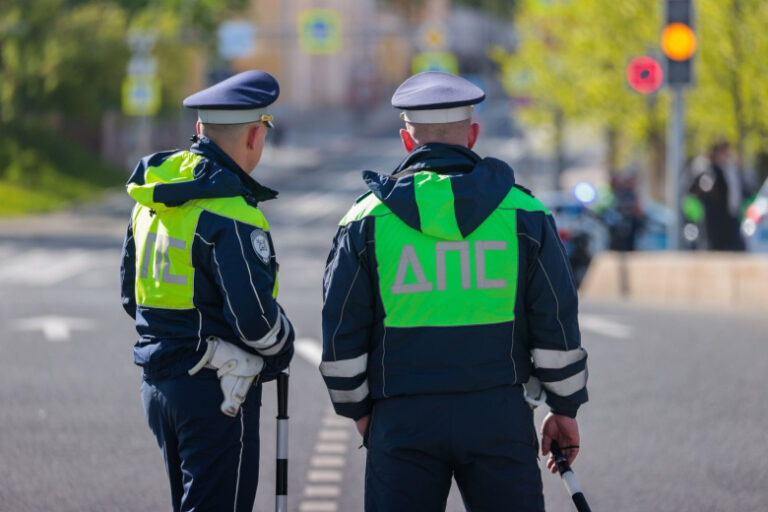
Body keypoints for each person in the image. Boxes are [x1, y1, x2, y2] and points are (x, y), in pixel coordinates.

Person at [319, 71, 588, 511]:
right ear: (474, 135)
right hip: (498, 413)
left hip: (401, 417)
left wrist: (361, 412)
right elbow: (556, 321)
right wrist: (564, 407)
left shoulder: (364, 221)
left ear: (408, 141)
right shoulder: (525, 214)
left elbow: (340, 332)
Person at [120, 70, 294, 512]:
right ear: (255, 136)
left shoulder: (153, 197)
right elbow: (254, 321)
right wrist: (284, 345)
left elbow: (131, 297)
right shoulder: (230, 213)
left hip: (159, 384)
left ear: (199, 130)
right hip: (217, 392)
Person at [689, 140, 748, 251]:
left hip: (732, 210)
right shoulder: (710, 168)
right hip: (717, 212)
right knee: (716, 240)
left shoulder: (730, 167)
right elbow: (704, 185)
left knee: (731, 240)